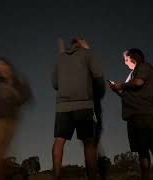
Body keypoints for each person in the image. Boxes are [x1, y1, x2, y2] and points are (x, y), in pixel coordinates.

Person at [52, 37, 105, 180]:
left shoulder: (60, 58)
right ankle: (92, 177)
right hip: (83, 104)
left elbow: (55, 84)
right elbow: (98, 77)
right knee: (88, 142)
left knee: (59, 140)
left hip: (63, 106)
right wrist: (98, 94)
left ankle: (56, 176)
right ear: (81, 44)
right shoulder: (87, 54)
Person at [109, 48, 153, 180]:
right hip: (133, 115)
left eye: (126, 59)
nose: (125, 62)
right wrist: (116, 89)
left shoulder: (144, 67)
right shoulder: (132, 74)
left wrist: (121, 86)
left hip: (144, 113)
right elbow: (127, 94)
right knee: (142, 150)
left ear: (135, 56)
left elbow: (139, 82)